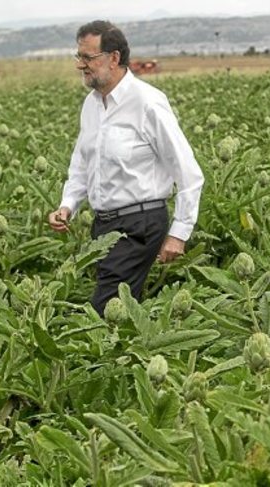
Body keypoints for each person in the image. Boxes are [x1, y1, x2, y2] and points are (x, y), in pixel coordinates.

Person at [48, 20, 204, 316]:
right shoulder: (91, 105)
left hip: (139, 225)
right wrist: (67, 205)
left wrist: (179, 233)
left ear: (114, 58)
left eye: (88, 58)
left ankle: (84, 355)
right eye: (78, 57)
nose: (80, 65)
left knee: (103, 311)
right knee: (122, 312)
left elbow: (188, 172)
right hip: (103, 225)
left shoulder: (148, 103)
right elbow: (82, 164)